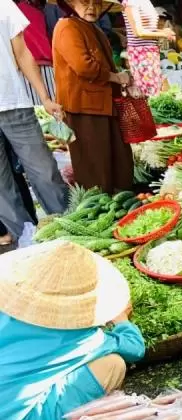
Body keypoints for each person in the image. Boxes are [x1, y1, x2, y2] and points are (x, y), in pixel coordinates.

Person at [0, 240, 146, 420]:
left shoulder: (6, 311)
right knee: (113, 364)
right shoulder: (83, 337)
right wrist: (121, 320)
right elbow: (135, 348)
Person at [0, 0, 67, 250]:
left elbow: (22, 53)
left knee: (43, 170)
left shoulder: (4, 6)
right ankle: (26, 240)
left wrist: (45, 98)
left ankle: (67, 226)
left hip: (13, 104)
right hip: (12, 104)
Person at [53, 0, 133, 193]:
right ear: (71, 4)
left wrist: (123, 77)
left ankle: (121, 200)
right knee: (94, 163)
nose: (91, 7)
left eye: (96, 3)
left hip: (104, 103)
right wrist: (116, 77)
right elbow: (83, 66)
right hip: (84, 106)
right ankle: (101, 207)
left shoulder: (93, 28)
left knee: (118, 158)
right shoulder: (67, 26)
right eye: (84, 2)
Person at [121, 0, 171, 97]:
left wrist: (161, 31)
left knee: (154, 89)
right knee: (148, 92)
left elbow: (147, 29)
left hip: (151, 52)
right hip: (140, 54)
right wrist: (163, 33)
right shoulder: (131, 2)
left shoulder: (146, 2)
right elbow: (138, 32)